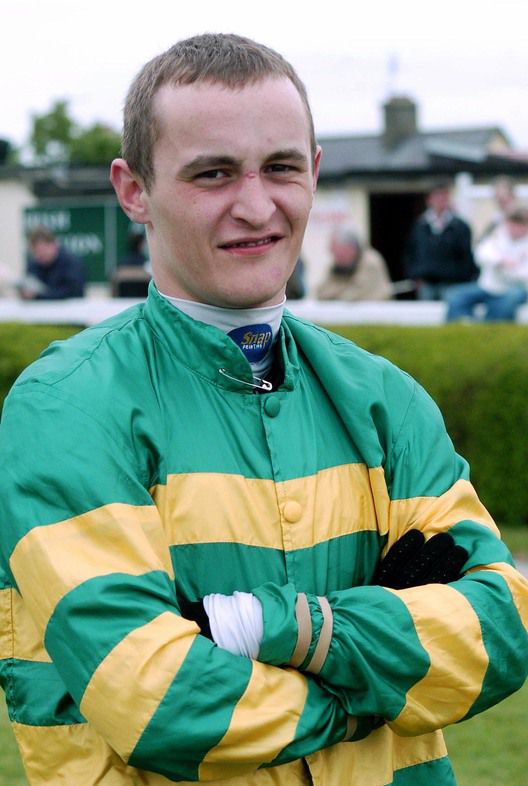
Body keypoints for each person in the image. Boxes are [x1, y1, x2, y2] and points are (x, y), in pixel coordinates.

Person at [0, 33, 526, 786]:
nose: (256, 206)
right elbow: (162, 705)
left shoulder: (387, 397)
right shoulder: (64, 406)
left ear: (314, 171)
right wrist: (377, 677)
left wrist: (271, 627)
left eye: (281, 167)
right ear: (133, 190)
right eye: (212, 173)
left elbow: (502, 630)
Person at [446, 203, 528, 321]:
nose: (516, 228)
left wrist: (507, 269)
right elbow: (480, 254)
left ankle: (488, 325)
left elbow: (523, 275)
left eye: (521, 224)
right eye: (513, 223)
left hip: (513, 290)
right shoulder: (497, 237)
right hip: (486, 287)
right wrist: (500, 261)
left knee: (506, 303)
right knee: (454, 295)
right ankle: (465, 323)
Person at [404, 180, 478, 300]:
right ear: (429, 200)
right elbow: (410, 253)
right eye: (437, 195)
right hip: (426, 283)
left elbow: (466, 256)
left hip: (451, 283)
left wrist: (462, 279)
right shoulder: (420, 225)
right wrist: (415, 276)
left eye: (444, 195)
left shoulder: (459, 226)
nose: (440, 199)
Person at [316, 226, 392, 301]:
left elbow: (355, 295)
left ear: (351, 249)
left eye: (339, 253)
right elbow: (322, 292)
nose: (336, 258)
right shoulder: (337, 265)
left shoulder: (370, 262)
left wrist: (337, 290)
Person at [20, 225, 85, 299]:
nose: (40, 255)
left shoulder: (72, 262)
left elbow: (74, 292)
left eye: (43, 250)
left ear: (54, 245)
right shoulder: (34, 264)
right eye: (36, 252)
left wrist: (40, 295)